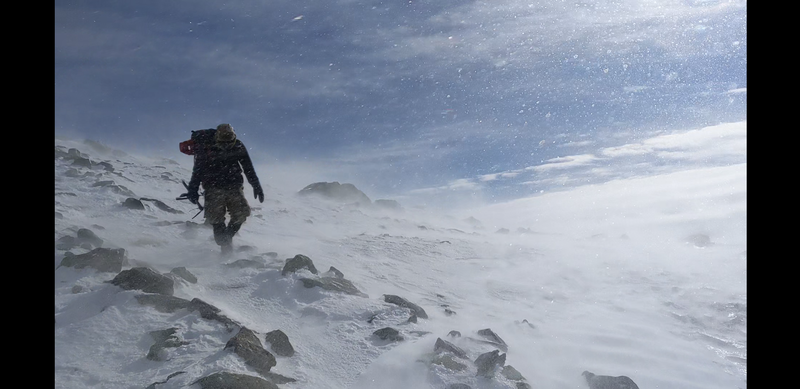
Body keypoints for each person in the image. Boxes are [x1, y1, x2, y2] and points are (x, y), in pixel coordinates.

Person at [186, 123, 264, 255]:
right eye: (224, 141)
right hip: (213, 187)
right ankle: (225, 249)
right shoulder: (207, 147)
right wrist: (192, 189)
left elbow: (248, 167)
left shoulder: (238, 145)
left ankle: (226, 239)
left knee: (241, 213)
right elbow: (198, 170)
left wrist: (256, 186)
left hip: (233, 186)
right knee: (216, 219)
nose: (226, 144)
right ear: (217, 137)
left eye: (230, 141)